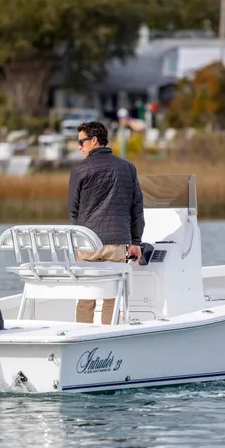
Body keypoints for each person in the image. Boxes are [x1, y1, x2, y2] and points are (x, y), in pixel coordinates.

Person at [68, 121, 144, 325]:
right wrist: (135, 242)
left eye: (81, 141)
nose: (79, 146)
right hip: (116, 244)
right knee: (112, 299)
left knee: (86, 299)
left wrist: (85, 233)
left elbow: (73, 210)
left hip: (87, 245)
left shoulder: (79, 170)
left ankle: (82, 336)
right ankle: (108, 336)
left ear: (94, 141)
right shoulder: (127, 167)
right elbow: (136, 207)